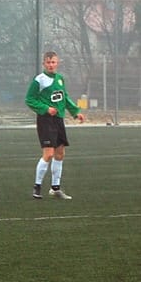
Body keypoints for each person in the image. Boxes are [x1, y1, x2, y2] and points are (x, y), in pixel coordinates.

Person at [25, 50, 84, 200]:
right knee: (49, 153)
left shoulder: (60, 79)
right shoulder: (39, 80)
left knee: (60, 153)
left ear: (57, 63)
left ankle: (55, 188)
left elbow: (65, 98)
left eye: (53, 62)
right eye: (48, 62)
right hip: (45, 120)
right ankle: (37, 187)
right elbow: (29, 99)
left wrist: (75, 112)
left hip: (58, 120)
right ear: (44, 63)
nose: (51, 65)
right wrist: (45, 109)